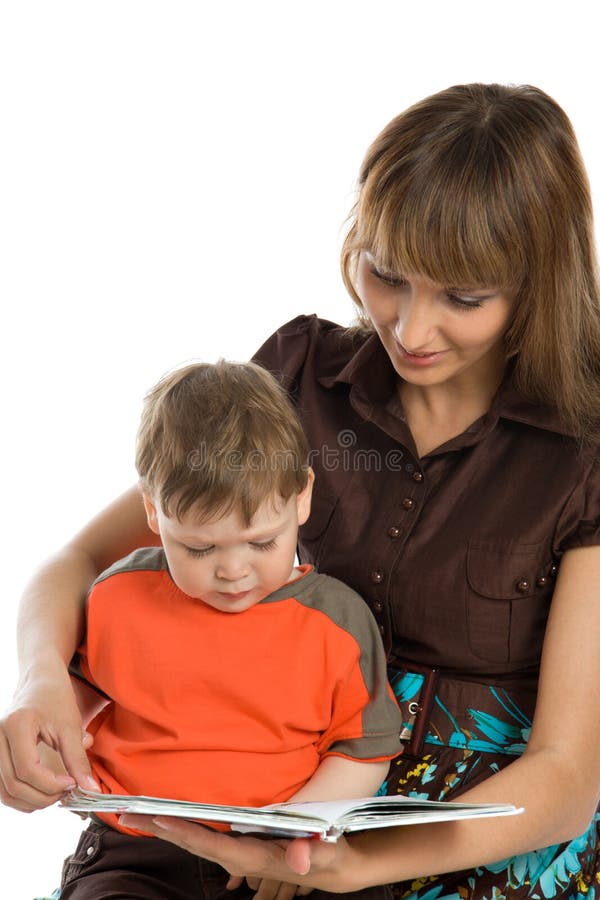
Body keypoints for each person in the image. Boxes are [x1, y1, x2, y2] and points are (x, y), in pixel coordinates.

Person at [2, 81, 600, 900]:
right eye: (387, 275)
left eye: (463, 298)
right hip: (240, 813)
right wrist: (41, 684)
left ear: (538, 281)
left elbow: (567, 776)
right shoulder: (296, 378)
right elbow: (78, 558)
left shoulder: (584, 450)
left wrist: (347, 862)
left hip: (468, 849)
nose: (410, 330)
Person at [54, 360, 403, 899]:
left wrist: (293, 833)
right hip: (140, 851)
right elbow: (77, 699)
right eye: (199, 548)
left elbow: (362, 750)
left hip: (282, 852)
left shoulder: (338, 621)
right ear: (152, 510)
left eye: (262, 542)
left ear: (302, 497)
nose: (233, 571)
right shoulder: (117, 596)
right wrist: (50, 751)